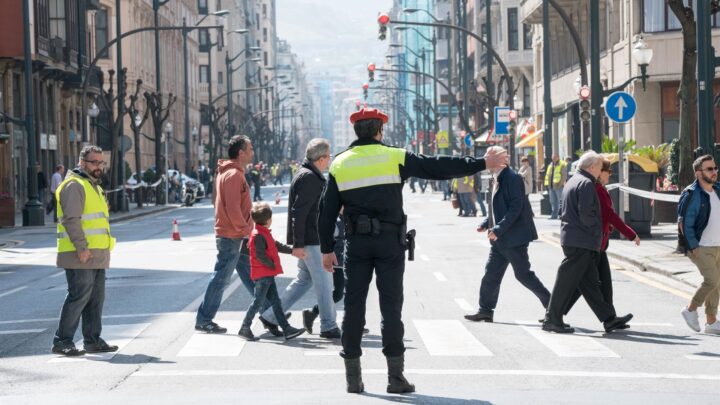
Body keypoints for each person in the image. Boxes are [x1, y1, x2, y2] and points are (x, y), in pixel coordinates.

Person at [318, 107, 507, 394]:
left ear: (357, 131)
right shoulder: (394, 157)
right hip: (390, 242)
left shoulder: (340, 163)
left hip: (356, 244)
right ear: (380, 130)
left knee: (354, 308)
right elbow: (437, 167)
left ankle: (353, 379)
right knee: (390, 308)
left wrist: (326, 249)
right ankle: (396, 378)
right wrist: (481, 162)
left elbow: (326, 211)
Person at [542, 151, 633, 334]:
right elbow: (587, 215)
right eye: (600, 168)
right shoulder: (586, 184)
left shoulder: (573, 181)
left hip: (574, 238)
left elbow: (562, 209)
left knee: (590, 284)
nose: (600, 172)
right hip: (582, 240)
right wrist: (598, 229)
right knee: (567, 281)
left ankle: (609, 319)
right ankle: (552, 319)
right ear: (591, 167)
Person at [259, 139, 340, 338]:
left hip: (310, 238)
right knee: (324, 283)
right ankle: (328, 325)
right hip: (312, 240)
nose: (329, 160)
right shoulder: (310, 178)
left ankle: (270, 316)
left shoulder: (306, 174)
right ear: (321, 159)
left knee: (303, 281)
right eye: (328, 156)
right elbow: (299, 212)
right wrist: (298, 244)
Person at [465, 146, 550, 323]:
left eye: (489, 157)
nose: (486, 160)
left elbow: (515, 208)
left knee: (523, 275)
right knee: (491, 275)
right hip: (500, 239)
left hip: (513, 238)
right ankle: (485, 310)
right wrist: (486, 224)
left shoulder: (512, 178)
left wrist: (498, 229)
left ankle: (553, 307)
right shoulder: (495, 178)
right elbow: (497, 208)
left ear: (501, 160)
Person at [52, 145, 118, 356]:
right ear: (82, 162)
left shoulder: (93, 186)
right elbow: (71, 220)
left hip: (97, 254)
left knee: (96, 299)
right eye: (93, 162)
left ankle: (92, 340)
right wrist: (81, 248)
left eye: (101, 162)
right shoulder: (74, 185)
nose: (98, 166)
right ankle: (62, 341)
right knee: (79, 296)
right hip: (78, 253)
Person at [563, 158, 640, 317]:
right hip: (593, 243)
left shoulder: (600, 188)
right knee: (591, 283)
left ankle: (556, 312)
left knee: (589, 283)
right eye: (608, 171)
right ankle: (609, 318)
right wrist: (631, 234)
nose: (609, 175)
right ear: (599, 172)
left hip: (598, 243)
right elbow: (609, 215)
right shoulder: (596, 189)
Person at [195, 135, 256, 334]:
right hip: (233, 235)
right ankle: (204, 319)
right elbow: (232, 207)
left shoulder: (229, 173)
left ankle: (270, 312)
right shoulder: (233, 175)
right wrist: (246, 230)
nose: (252, 152)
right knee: (221, 278)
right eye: (250, 149)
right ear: (241, 153)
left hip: (235, 234)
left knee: (250, 275)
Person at [238, 203, 306, 341]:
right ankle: (245, 327)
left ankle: (286, 329)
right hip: (263, 275)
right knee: (258, 302)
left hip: (267, 274)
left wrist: (292, 251)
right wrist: (273, 265)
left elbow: (276, 245)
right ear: (268, 219)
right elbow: (260, 255)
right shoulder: (258, 235)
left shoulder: (263, 232)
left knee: (276, 302)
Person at [679, 154, 720, 334]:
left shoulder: (718, 190)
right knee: (711, 280)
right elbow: (684, 222)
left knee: (716, 283)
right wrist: (692, 245)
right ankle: (690, 309)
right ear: (698, 173)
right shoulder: (691, 194)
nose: (714, 172)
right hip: (701, 246)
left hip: (718, 245)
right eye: (709, 169)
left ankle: (711, 322)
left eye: (715, 168)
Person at [544, 153, 567, 219]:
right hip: (551, 186)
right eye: (552, 157)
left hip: (558, 186)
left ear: (558, 157)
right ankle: (554, 215)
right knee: (553, 201)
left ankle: (561, 215)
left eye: (555, 157)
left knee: (560, 201)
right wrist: (548, 185)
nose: (553, 158)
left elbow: (564, 176)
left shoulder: (562, 164)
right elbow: (548, 175)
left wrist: (560, 185)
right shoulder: (550, 165)